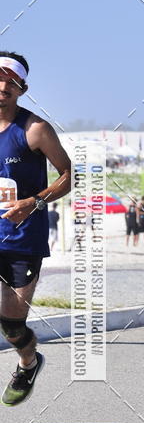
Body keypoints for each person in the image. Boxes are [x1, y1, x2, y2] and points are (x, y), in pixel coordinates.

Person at [0, 52, 71, 405]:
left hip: (21, 240)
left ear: (21, 89)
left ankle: (28, 363)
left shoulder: (35, 130)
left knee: (11, 325)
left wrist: (34, 202)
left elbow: (69, 176)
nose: (2, 87)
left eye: (10, 82)